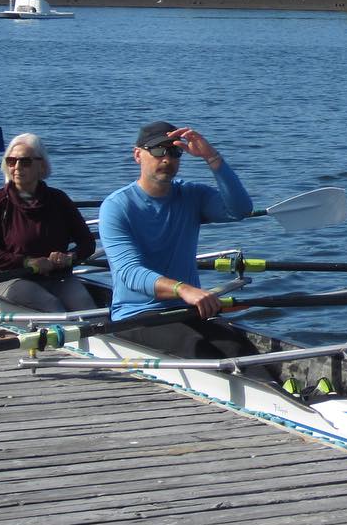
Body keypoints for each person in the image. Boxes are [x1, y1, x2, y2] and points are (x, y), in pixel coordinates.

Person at [99, 121, 256, 360]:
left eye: (174, 151)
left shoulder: (192, 195)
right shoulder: (116, 207)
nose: (167, 158)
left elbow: (241, 210)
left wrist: (212, 158)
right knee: (198, 348)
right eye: (158, 150)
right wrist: (182, 289)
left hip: (187, 309)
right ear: (137, 155)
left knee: (240, 348)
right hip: (136, 315)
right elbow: (130, 273)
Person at [0, 133, 97, 313]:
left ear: (41, 165)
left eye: (25, 162)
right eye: (11, 161)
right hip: (14, 278)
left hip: (57, 276)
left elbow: (87, 242)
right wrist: (27, 262)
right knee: (52, 306)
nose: (17, 167)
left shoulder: (59, 200)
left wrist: (70, 257)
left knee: (87, 308)